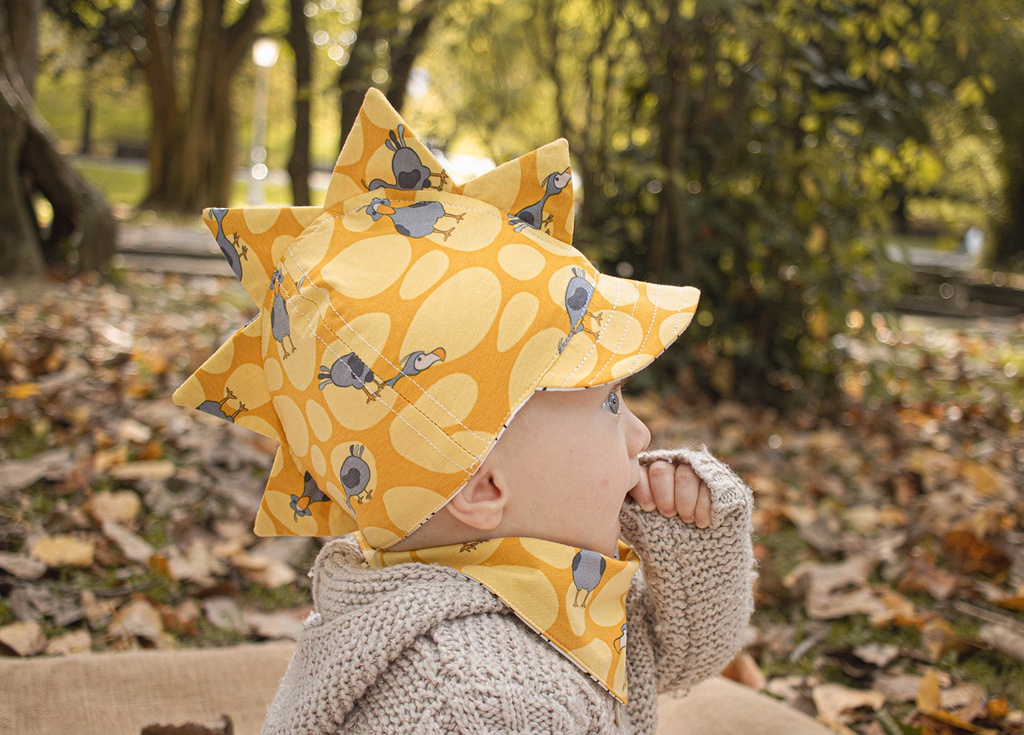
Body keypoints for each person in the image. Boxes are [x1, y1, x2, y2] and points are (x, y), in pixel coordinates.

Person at [173, 89, 829, 734]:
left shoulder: (533, 581)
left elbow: (675, 660)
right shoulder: (477, 701)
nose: (641, 432)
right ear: (483, 483)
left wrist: (698, 542)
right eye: (607, 401)